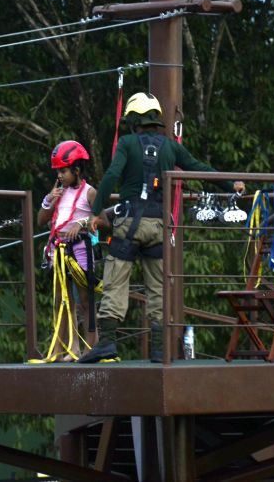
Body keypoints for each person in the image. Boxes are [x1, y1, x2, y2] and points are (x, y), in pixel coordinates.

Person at [79, 92, 245, 363]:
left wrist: (96, 211)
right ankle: (158, 349)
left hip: (129, 225)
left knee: (115, 282)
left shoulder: (127, 143)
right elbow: (197, 167)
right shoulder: (170, 147)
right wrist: (231, 183)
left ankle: (107, 343)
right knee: (157, 287)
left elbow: (111, 175)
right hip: (159, 225)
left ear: (134, 120)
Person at [33, 140, 101, 363]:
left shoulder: (89, 193)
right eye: (58, 172)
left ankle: (92, 348)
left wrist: (81, 224)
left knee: (84, 300)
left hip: (80, 250)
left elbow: (104, 221)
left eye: (63, 171)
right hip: (58, 251)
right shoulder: (58, 192)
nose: (60, 175)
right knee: (62, 301)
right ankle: (67, 350)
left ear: (77, 170)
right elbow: (41, 221)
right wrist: (48, 201)